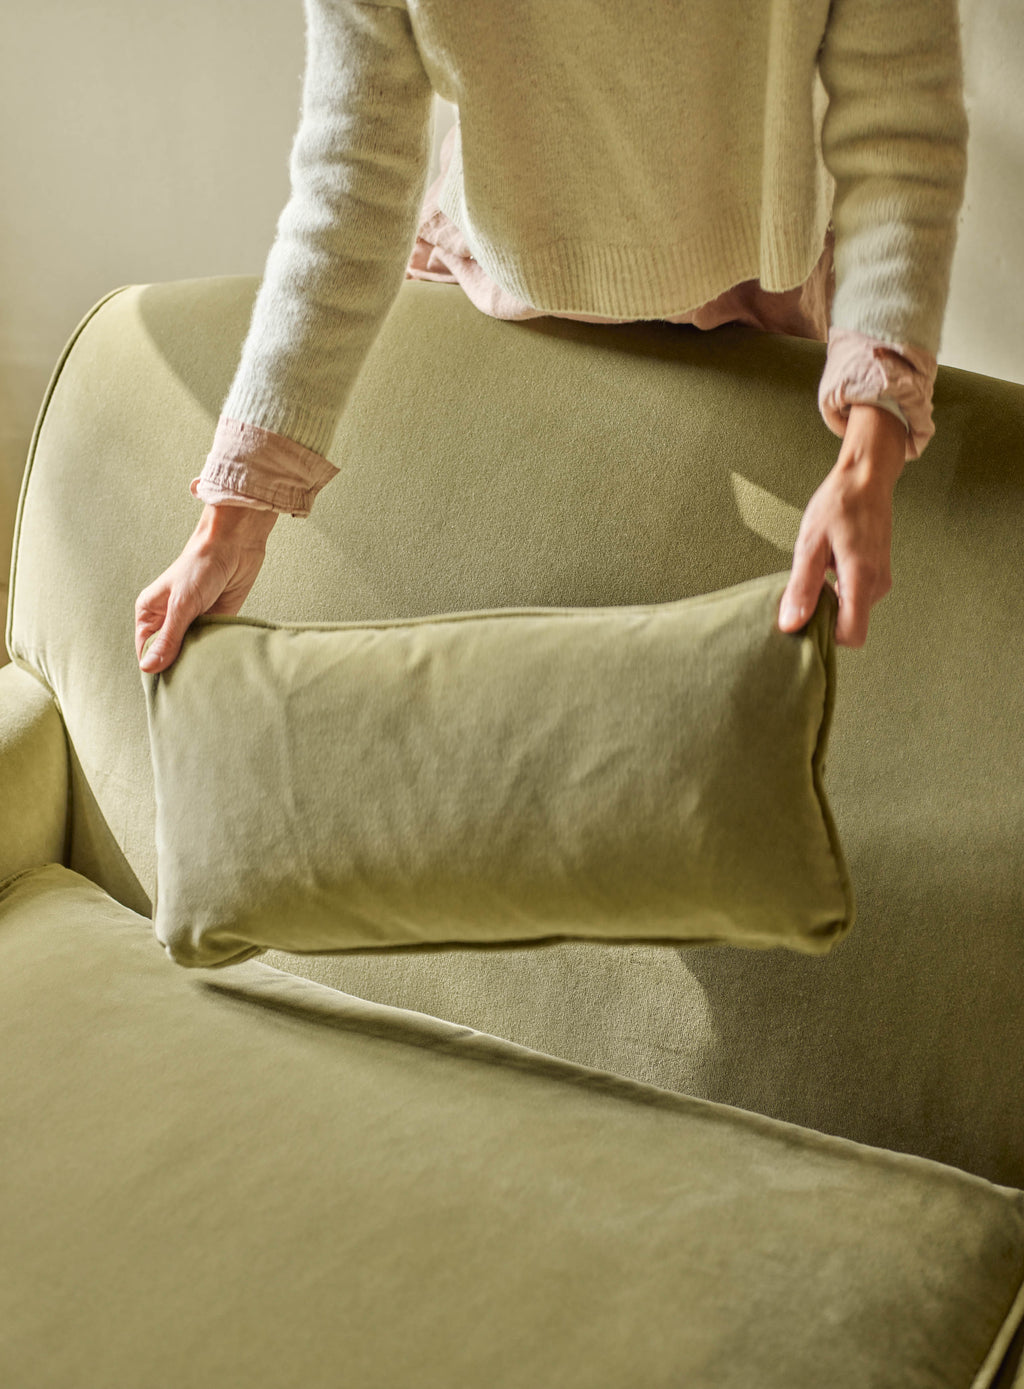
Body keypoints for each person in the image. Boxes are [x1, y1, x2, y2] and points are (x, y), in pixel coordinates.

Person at [135, 0, 968, 673]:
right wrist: (233, 518)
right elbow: (352, 177)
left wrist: (870, 444)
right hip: (493, 290)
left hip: (768, 299)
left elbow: (899, 133)